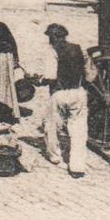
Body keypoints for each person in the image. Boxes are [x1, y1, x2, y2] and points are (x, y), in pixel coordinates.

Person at [42, 23, 90, 178]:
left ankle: (54, 156)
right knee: (78, 130)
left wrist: (39, 80)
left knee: (51, 124)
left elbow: (51, 76)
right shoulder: (78, 48)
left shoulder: (52, 51)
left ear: (52, 37)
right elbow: (90, 74)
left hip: (60, 93)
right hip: (78, 92)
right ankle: (77, 166)